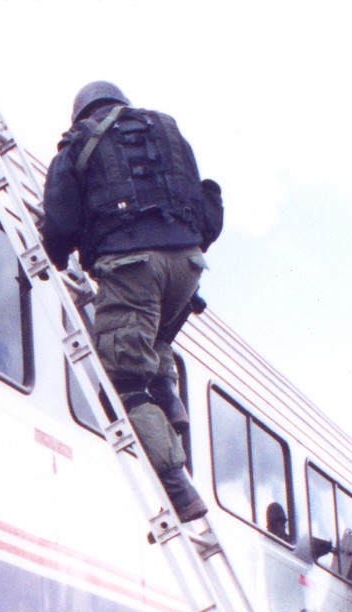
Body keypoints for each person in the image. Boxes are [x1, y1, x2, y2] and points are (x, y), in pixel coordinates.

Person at [42, 81, 222, 523]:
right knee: (155, 339)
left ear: (81, 112)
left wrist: (57, 256)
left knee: (125, 386)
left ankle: (180, 491)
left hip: (132, 267)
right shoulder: (167, 131)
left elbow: (61, 219)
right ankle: (172, 409)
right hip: (189, 264)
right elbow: (207, 208)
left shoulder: (80, 141)